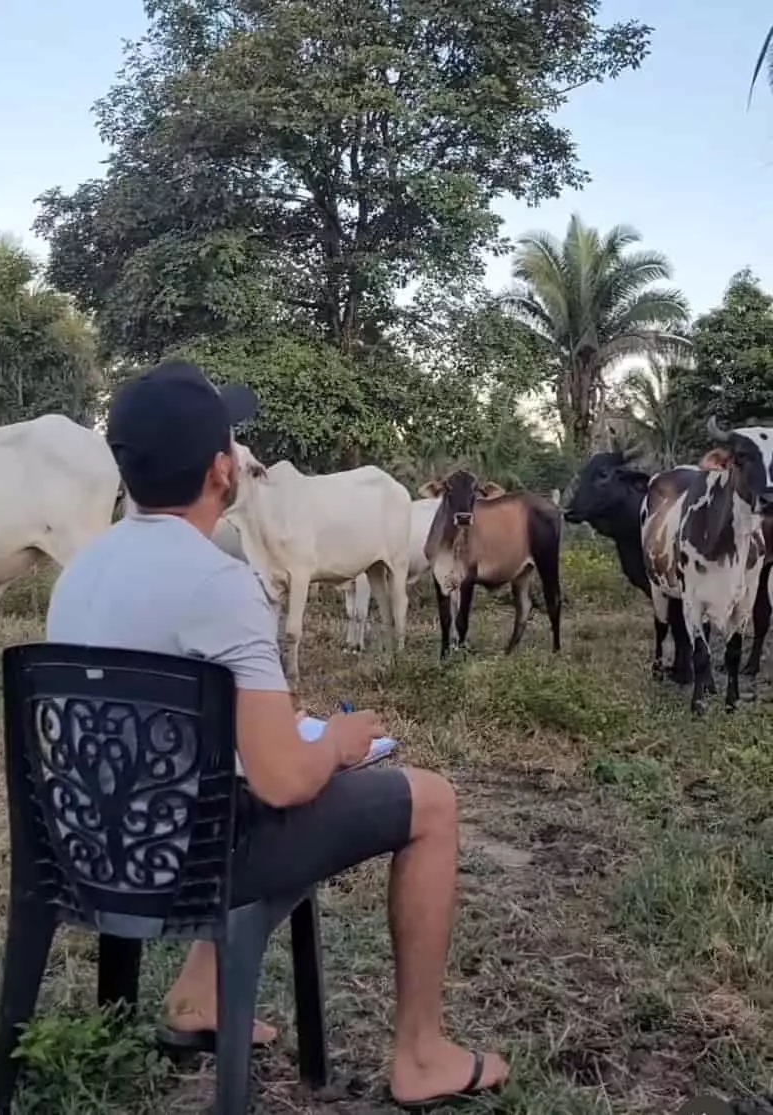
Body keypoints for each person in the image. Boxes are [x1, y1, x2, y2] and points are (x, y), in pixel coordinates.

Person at [45, 359, 508, 1109]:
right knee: (429, 802)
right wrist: (340, 741)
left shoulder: (81, 572)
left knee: (260, 781)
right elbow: (285, 780)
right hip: (192, 862)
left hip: (87, 850)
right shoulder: (220, 583)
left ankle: (199, 995)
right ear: (223, 470)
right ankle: (421, 1053)